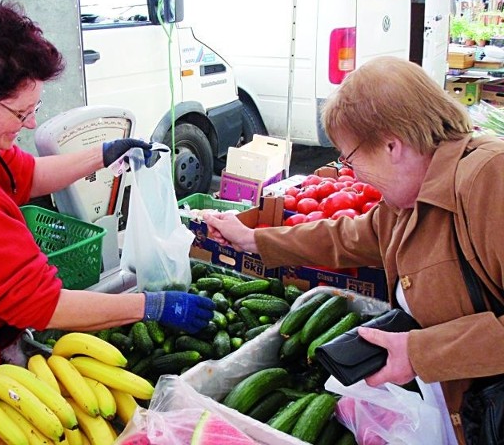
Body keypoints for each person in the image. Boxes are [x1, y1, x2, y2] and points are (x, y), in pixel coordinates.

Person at [0, 0, 214, 405]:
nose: (31, 123)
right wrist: (153, 305)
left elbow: (26, 174)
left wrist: (105, 152)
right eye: (21, 112)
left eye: (36, 108)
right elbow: (42, 307)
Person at [203, 56, 504, 444]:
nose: (352, 171)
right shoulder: (408, 200)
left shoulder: (489, 179)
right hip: (463, 412)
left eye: (350, 156)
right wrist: (255, 240)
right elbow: (346, 236)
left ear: (392, 144)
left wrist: (420, 353)